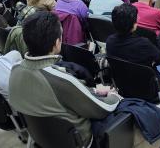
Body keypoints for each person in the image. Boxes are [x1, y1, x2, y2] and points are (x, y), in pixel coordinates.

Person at [9, 11, 120, 147]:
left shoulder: (15, 69)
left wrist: (93, 92)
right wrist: (114, 95)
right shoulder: (61, 79)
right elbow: (103, 109)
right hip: (76, 141)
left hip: (39, 136)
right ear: (57, 43)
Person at [106, 4, 160, 95]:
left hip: (124, 86)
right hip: (148, 90)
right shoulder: (143, 43)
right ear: (133, 25)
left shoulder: (109, 41)